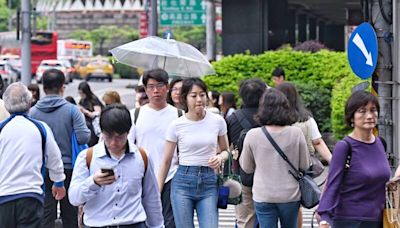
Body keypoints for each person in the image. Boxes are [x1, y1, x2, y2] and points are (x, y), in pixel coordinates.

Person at [69, 104, 164, 227]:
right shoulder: (87, 157)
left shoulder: (142, 157)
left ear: (128, 132)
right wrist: (93, 182)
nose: (114, 142)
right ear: (102, 132)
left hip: (133, 223)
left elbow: (151, 198)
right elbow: (74, 198)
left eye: (119, 137)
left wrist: (157, 226)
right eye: (108, 136)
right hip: (97, 224)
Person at [158, 78, 230, 228]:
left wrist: (220, 157)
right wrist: (157, 191)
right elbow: (166, 161)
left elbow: (226, 151)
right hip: (182, 182)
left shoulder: (217, 121)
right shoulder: (176, 125)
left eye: (202, 95)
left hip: (209, 181)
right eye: (194, 95)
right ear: (185, 98)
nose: (199, 99)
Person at [317, 90, 391, 228]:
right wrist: (325, 217)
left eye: (373, 110)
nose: (369, 116)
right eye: (362, 111)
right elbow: (333, 184)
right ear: (352, 117)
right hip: (350, 220)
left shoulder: (381, 143)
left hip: (380, 219)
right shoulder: (344, 147)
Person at [239, 88, 310, 228]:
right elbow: (305, 164)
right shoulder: (296, 133)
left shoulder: (252, 135)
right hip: (290, 195)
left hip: (263, 194)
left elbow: (246, 167)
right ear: (285, 108)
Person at [30, 69, 91, 228]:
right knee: (70, 214)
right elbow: (84, 137)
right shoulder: (72, 110)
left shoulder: (33, 112)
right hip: (69, 167)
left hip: (42, 169)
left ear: (43, 88)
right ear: (62, 87)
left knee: (46, 214)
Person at [0, 82, 66, 228]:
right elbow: (54, 158)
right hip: (31, 196)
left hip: (3, 197)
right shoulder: (41, 128)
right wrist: (58, 182)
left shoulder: (2, 129)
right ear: (30, 103)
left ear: (6, 105)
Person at [128, 69, 182, 228]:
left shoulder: (179, 115)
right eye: (151, 86)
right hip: (143, 176)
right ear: (145, 89)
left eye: (160, 85)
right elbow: (129, 147)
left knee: (170, 222)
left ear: (167, 87)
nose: (156, 90)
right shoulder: (135, 115)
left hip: (173, 176)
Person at [276, 82, 332, 228]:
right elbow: (318, 142)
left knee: (274, 203)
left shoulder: (273, 120)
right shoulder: (306, 119)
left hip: (277, 167)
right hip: (301, 168)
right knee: (296, 205)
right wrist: (333, 160)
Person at [226, 78, 267, 228]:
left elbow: (225, 148)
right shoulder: (269, 118)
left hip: (241, 175)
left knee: (244, 220)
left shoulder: (232, 118)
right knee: (267, 218)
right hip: (268, 175)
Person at [78, 81, 104, 147]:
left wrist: (85, 111)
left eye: (82, 93)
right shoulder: (82, 100)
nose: (81, 95)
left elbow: (97, 114)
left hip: (94, 126)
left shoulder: (93, 99)